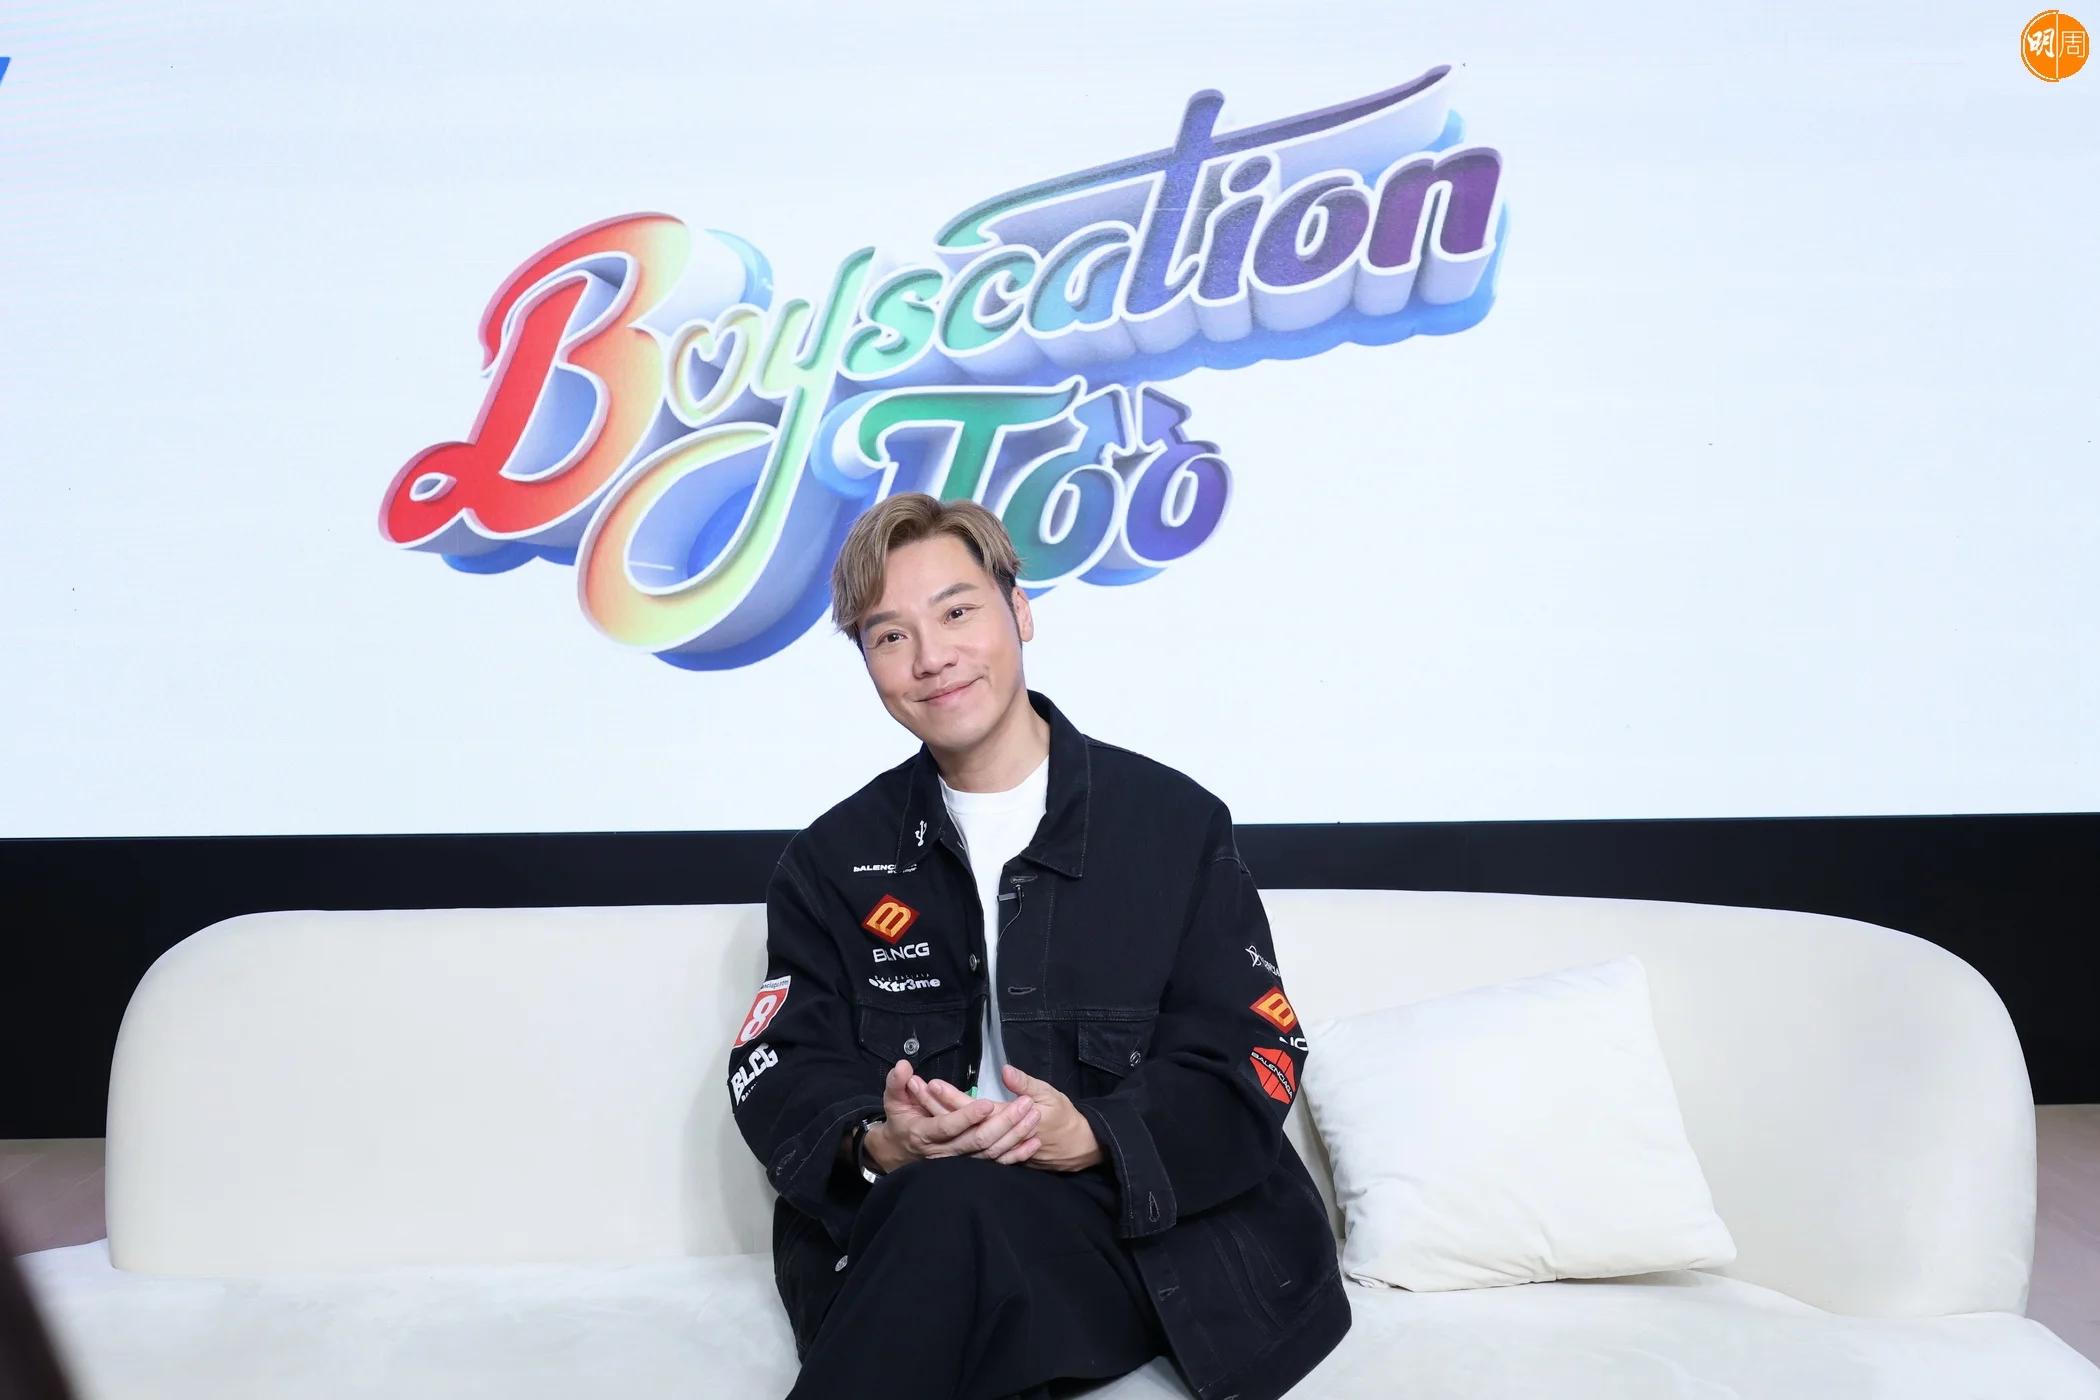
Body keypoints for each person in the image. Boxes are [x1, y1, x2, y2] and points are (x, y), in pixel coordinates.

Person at [728, 494, 1347, 1400]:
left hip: (1137, 1237)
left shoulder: (1172, 826)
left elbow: (1252, 1050)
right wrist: (879, 1142)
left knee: (948, 1233)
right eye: (890, 636)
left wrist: (1093, 1135)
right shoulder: (831, 862)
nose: (931, 657)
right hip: (929, 1225)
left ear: (1019, 611)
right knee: (945, 1218)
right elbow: (779, 1063)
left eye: (956, 612)